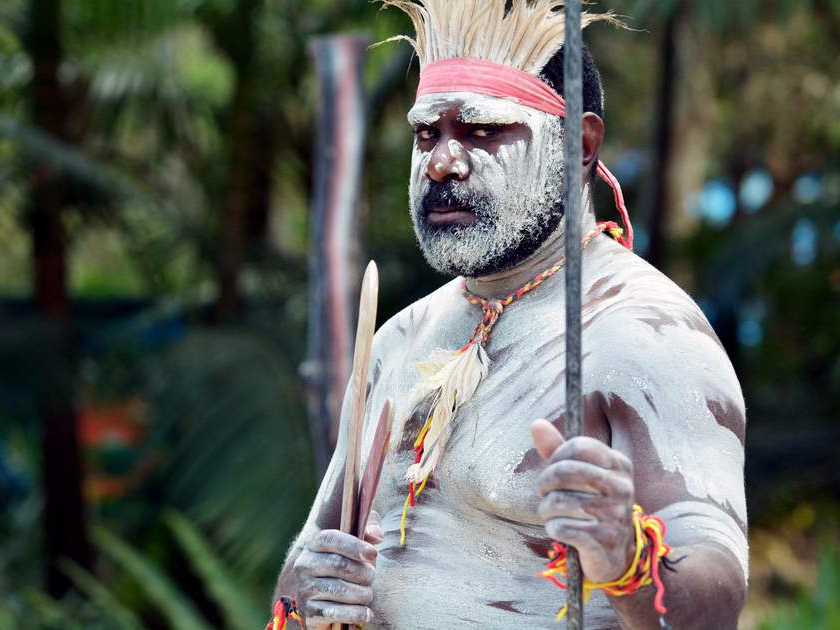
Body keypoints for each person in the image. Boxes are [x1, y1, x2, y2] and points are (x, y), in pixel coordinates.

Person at [272, 1, 747, 628]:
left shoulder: (646, 337)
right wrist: (306, 594)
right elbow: (300, 573)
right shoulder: (398, 339)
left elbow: (715, 601)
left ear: (579, 145)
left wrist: (626, 557)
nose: (441, 163)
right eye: (426, 135)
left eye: (481, 131)